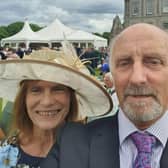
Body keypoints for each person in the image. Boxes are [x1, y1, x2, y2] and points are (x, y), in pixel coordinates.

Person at [40, 23, 168, 168]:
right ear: (112, 73)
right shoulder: (72, 141)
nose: (137, 78)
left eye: (153, 62)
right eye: (124, 63)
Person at [0, 47, 112, 168]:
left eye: (58, 89)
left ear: (71, 98)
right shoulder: (6, 151)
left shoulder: (94, 152)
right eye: (36, 90)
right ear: (24, 99)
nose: (47, 101)